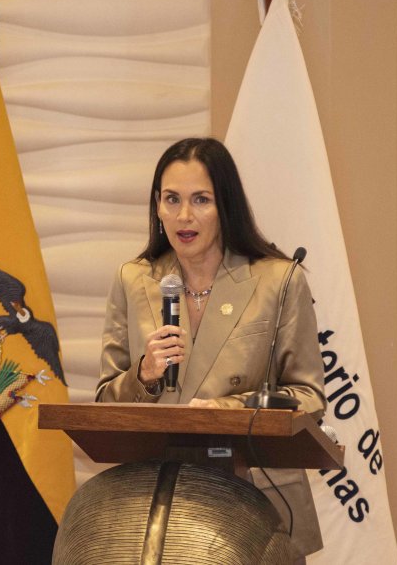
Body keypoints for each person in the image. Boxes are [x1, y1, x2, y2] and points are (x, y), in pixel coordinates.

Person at [95, 137, 327, 558]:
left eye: (201, 199)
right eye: (172, 199)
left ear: (225, 205)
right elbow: (104, 403)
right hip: (158, 507)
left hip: (257, 503)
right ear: (157, 206)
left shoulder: (278, 280)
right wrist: (144, 375)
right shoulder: (133, 280)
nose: (184, 216)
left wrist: (227, 411)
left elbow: (309, 398)